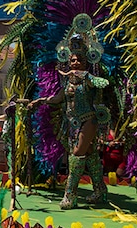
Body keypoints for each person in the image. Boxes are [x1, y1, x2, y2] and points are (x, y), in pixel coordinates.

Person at [47, 50, 109, 209]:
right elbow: (57, 99)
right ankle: (100, 190)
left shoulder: (87, 80)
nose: (75, 63)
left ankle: (70, 196)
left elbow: (103, 83)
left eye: (79, 60)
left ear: (86, 62)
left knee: (76, 155)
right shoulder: (67, 83)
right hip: (72, 123)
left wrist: (85, 75)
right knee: (90, 154)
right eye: (72, 60)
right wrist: (39, 101)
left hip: (88, 119)